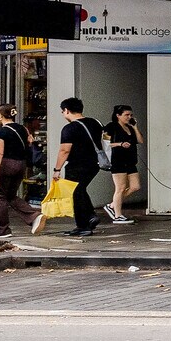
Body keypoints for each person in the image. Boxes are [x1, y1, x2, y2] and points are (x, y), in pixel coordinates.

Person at [36, 97, 102, 237]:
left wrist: (57, 169)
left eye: (62, 111)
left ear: (66, 110)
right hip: (94, 164)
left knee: (75, 193)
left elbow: (64, 150)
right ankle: (90, 216)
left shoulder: (70, 128)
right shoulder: (95, 123)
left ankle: (83, 225)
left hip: (77, 165)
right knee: (80, 190)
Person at [0, 104, 36, 238]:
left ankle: (0, 230)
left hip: (6, 165)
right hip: (21, 165)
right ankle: (34, 216)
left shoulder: (0, 132)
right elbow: (29, 142)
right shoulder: (23, 129)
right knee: (10, 195)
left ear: (0, 116)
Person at [103, 105, 141, 225]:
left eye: (131, 115)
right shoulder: (111, 127)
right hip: (118, 160)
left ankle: (112, 205)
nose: (129, 117)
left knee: (135, 186)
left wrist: (135, 127)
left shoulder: (129, 127)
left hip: (130, 160)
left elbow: (140, 140)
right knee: (120, 188)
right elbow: (104, 143)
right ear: (118, 115)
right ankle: (117, 215)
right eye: (126, 115)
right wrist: (119, 144)